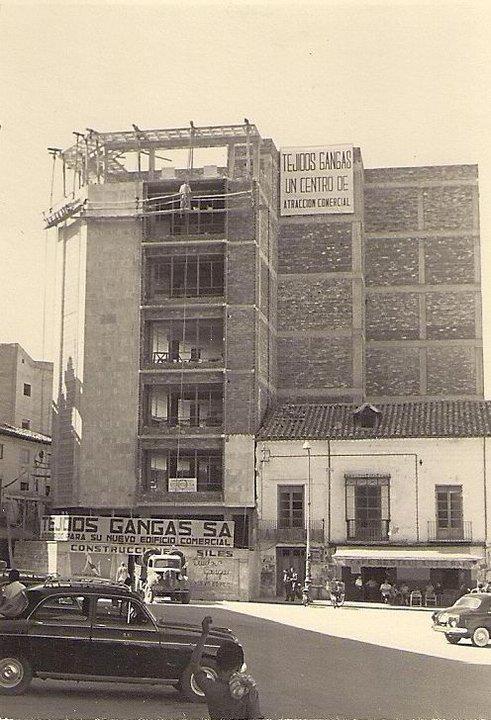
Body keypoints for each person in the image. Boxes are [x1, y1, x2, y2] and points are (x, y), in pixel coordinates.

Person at [189, 616, 263, 720]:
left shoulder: (210, 687)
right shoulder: (248, 691)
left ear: (216, 665)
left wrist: (205, 634)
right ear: (240, 666)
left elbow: (194, 665)